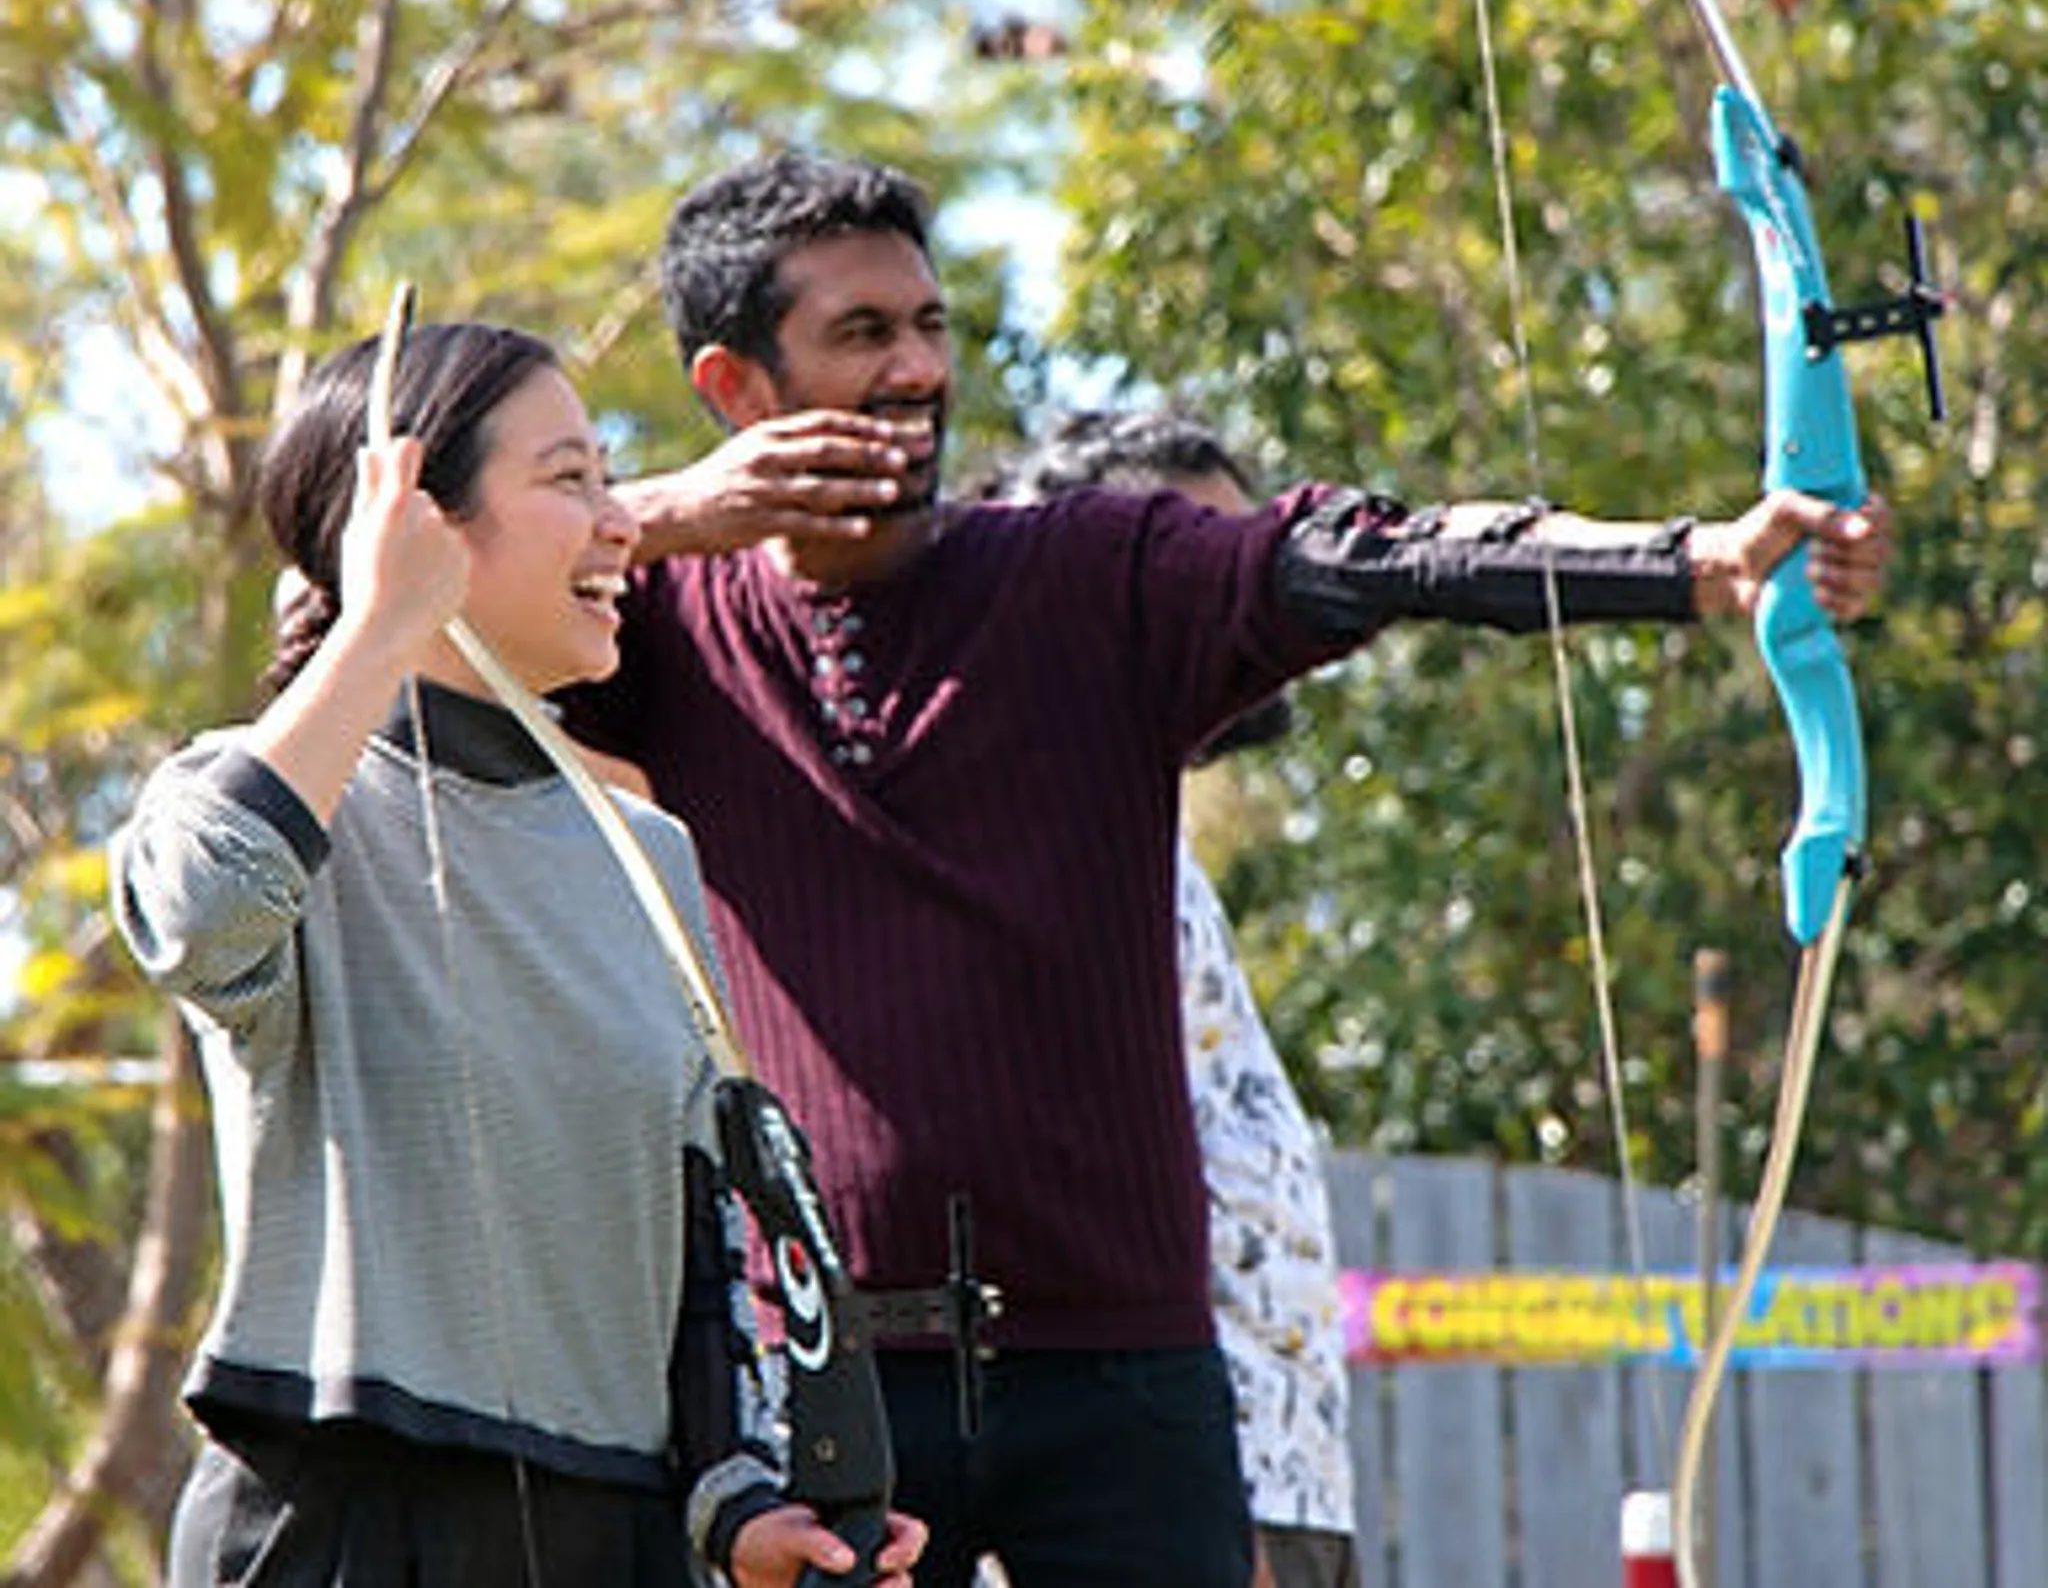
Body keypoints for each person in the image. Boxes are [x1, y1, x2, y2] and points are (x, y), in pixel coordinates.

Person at [556, 151, 1890, 1588]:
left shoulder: (1088, 571)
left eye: (930, 326)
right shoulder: (656, 624)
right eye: (863, 334)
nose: (917, 370)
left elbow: (1364, 555)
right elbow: (353, 641)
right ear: (736, 386)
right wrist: (661, 516)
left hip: (1128, 1376)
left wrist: (1699, 561)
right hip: (831, 1388)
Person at [107, 320, 925, 1588]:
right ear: (414, 523)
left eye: (613, 481)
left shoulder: (647, 855)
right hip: (339, 1528)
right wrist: (379, 627)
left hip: (614, 1539)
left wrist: (737, 1507)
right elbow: (200, 921)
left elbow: (695, 1243)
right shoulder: (260, 798)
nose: (621, 526)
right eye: (568, 480)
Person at [999, 409, 1358, 1588]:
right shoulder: (1036, 822)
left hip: (1271, 1462)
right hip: (1186, 1476)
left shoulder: (1148, 830)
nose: (1239, 594)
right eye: (1194, 558)